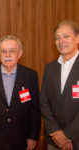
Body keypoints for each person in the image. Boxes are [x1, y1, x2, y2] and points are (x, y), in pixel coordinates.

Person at [0, 35, 41, 150]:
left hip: (22, 138)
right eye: (4, 51)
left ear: (20, 54)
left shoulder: (30, 76)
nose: (8, 55)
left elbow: (35, 109)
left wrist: (33, 136)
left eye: (12, 51)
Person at [40, 20, 79, 150]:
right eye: (57, 38)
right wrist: (56, 132)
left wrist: (67, 136)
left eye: (66, 36)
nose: (61, 41)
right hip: (53, 140)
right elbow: (44, 102)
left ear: (78, 38)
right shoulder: (50, 68)